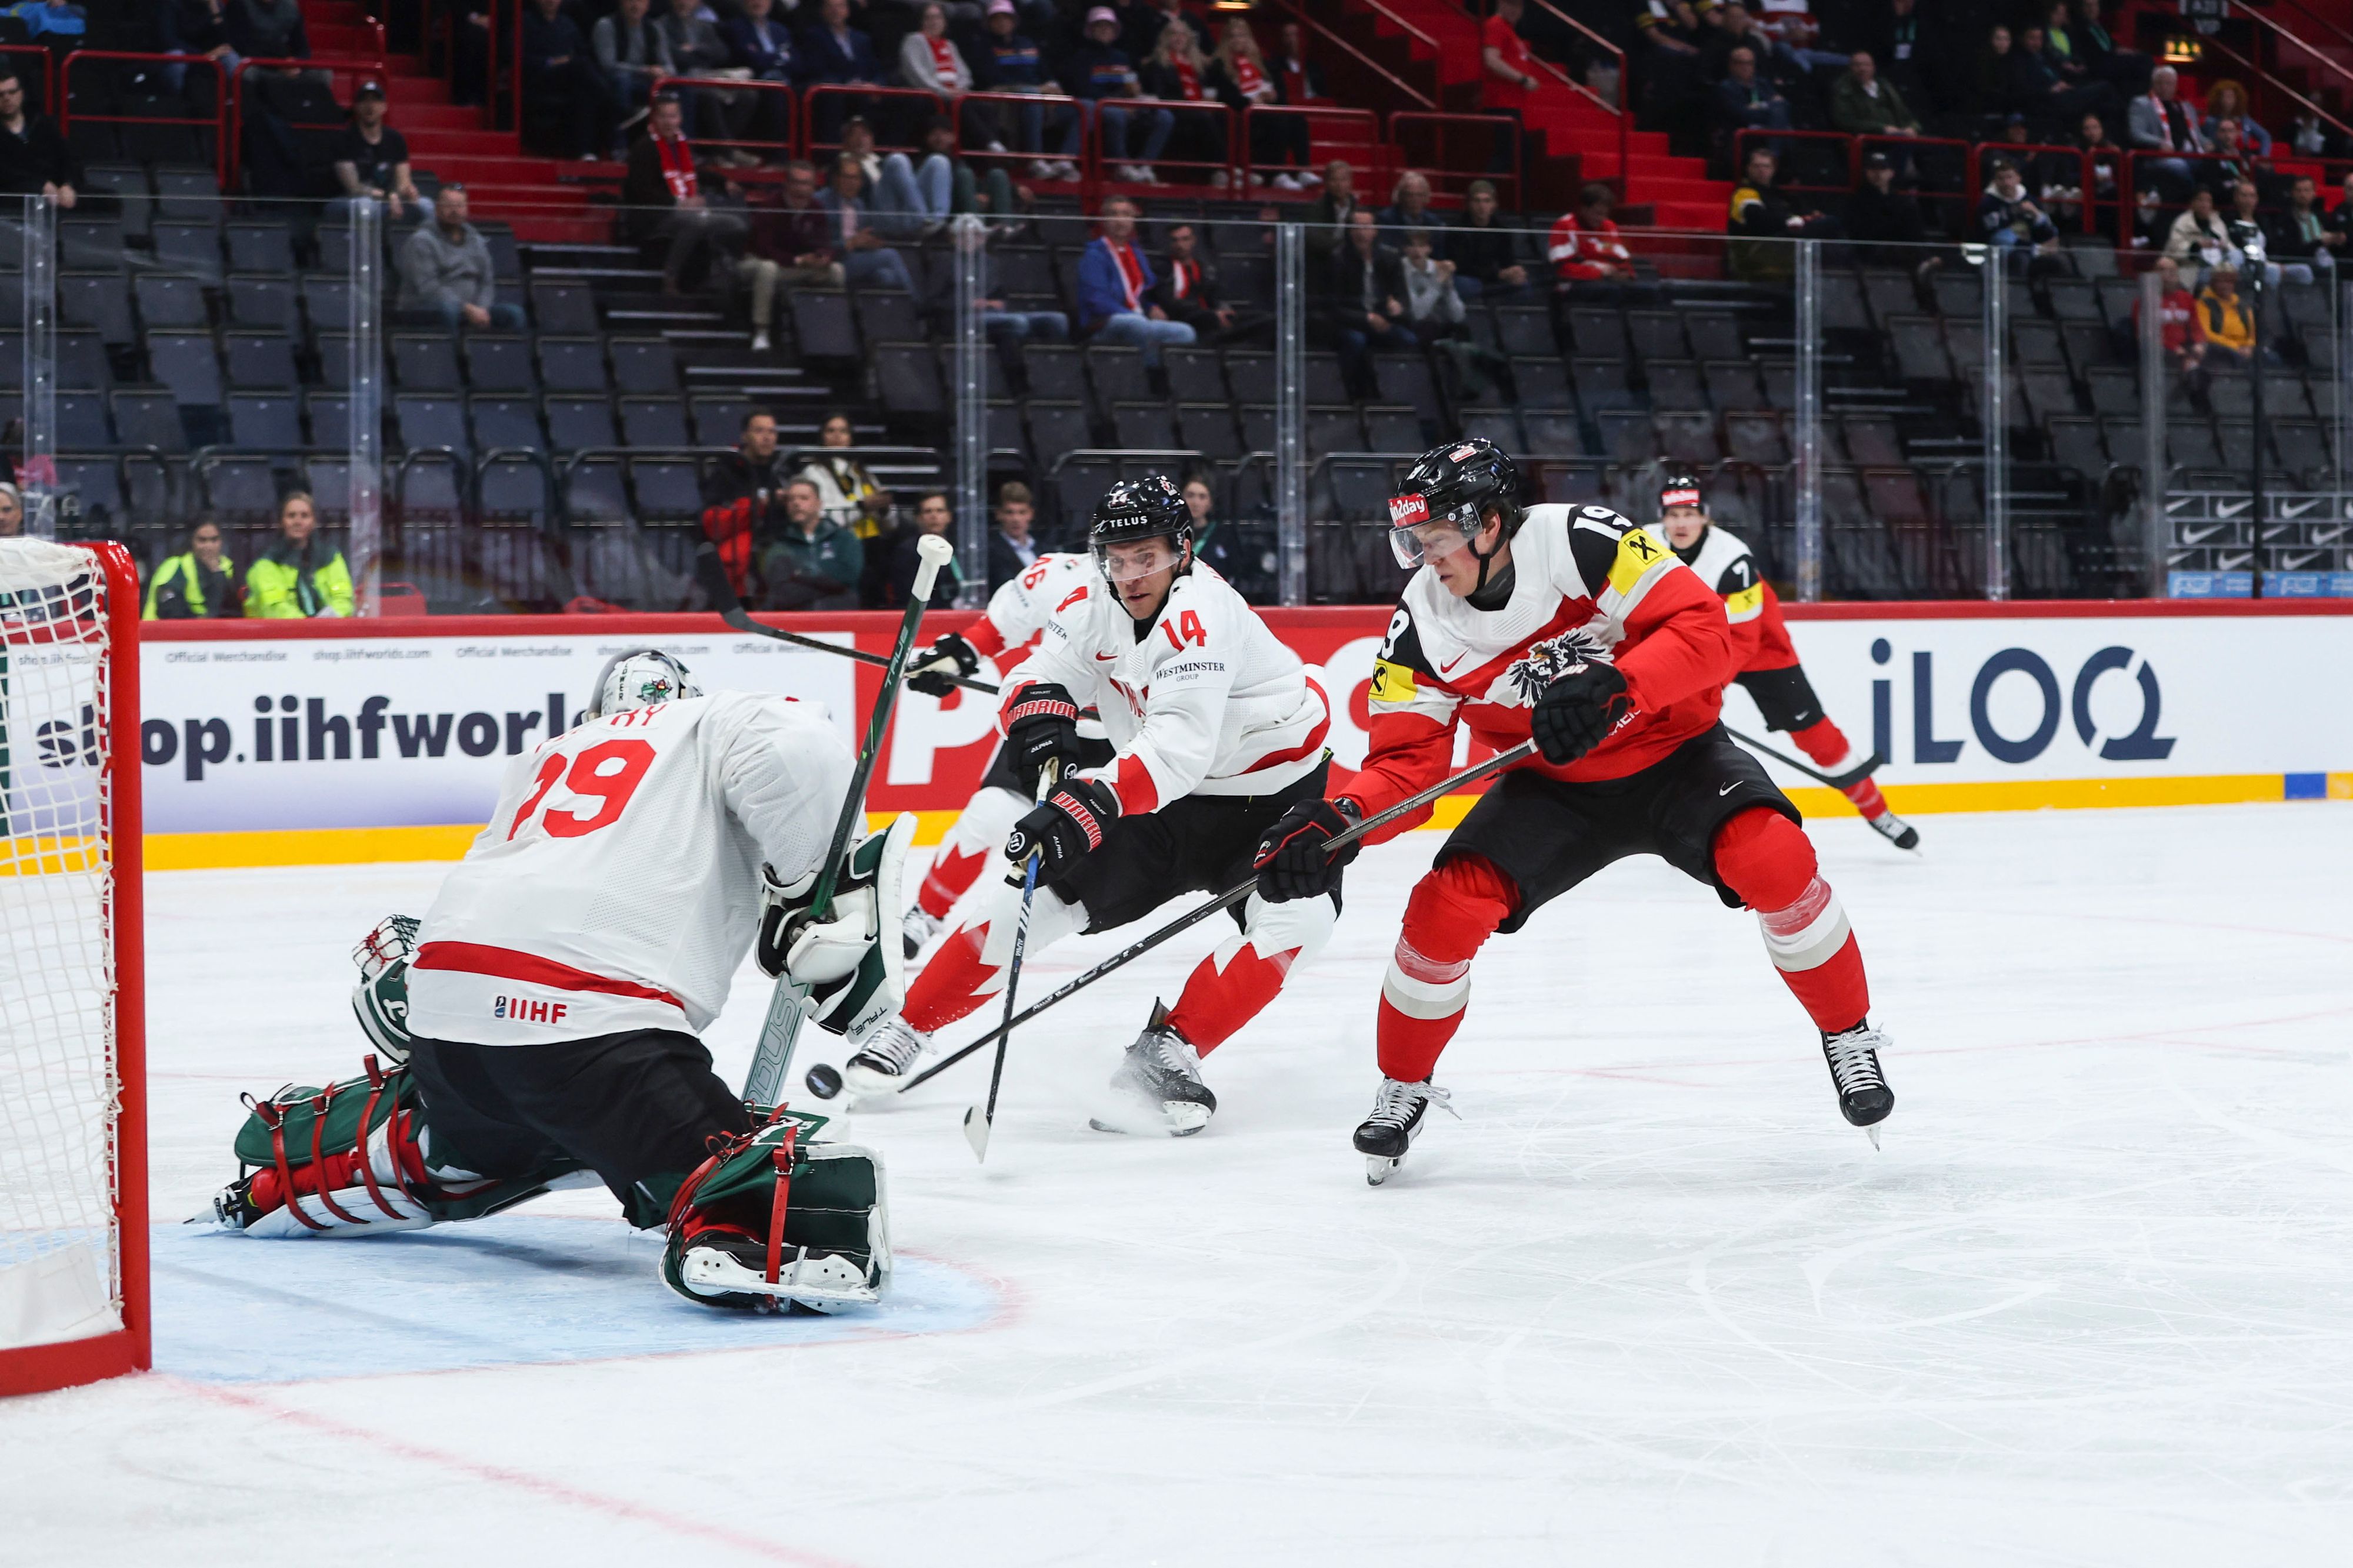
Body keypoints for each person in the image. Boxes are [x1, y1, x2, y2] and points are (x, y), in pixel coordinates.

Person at [1250, 440, 1899, 1183]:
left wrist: (1618, 685)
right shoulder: (1420, 625)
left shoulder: (1580, 538)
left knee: (1773, 858)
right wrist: (1339, 822)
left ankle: (1847, 1033)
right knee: (1441, 909)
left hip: (1677, 753)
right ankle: (1403, 1081)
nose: (1425, 559)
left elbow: (1705, 632)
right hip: (1551, 784)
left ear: (1488, 523)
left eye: (1434, 538)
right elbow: (1407, 767)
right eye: (1414, 542)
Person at [206, 649, 904, 1315]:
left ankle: (308, 1175)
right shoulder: (708, 720)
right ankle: (727, 1210)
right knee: (779, 1188)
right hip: (588, 1035)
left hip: (450, 1031)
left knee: (492, 1125)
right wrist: (821, 883)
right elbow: (793, 742)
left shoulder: (549, 753)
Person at [845, 476, 1336, 1137]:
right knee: (1036, 895)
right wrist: (1037, 716)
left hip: (1268, 801)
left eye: (1148, 558)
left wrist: (1084, 802)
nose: (1131, 575)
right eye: (1118, 557)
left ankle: (1169, 1048)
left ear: (1182, 552)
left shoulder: (1203, 613)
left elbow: (1177, 748)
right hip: (1163, 802)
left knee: (1300, 921)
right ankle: (910, 1025)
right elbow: (1037, 670)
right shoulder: (1093, 602)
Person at [1649, 473, 1918, 848]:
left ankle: (1878, 811)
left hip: (1760, 649)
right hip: (1690, 646)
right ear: (1661, 517)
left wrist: (1702, 686)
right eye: (1673, 514)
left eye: (1690, 513)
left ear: (1706, 516)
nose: (1681, 523)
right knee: (1677, 737)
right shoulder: (1643, 548)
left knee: (1815, 734)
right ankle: (1681, 823)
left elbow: (1742, 639)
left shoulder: (1732, 559)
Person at [894, 546, 1115, 955]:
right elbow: (996, 629)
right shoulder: (1060, 572)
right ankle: (926, 913)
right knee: (987, 815)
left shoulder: (1185, 590)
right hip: (1054, 726)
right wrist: (956, 659)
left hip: (1135, 740)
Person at [1078, 194, 1196, 362]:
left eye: (1126, 214)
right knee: (1136, 325)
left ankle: (1161, 376)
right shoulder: (1094, 255)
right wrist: (1135, 316)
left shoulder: (1136, 253)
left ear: (1133, 220)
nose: (1120, 220)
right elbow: (1097, 300)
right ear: (1104, 220)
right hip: (1103, 323)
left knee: (1185, 332)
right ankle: (1144, 376)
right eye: (1114, 214)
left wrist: (1151, 307)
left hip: (1137, 319)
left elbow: (1140, 294)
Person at [974, 0, 1082, 181]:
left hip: (1039, 96)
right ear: (989, 22)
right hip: (1006, 97)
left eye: (1006, 18)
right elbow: (992, 79)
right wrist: (1039, 89)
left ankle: (1065, 160)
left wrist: (1055, 87)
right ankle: (1035, 160)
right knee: (1031, 95)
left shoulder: (1027, 43)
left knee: (1082, 107)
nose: (1002, 22)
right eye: (996, 19)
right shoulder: (983, 46)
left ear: (1014, 21)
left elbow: (1045, 72)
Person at [398, 185, 525, 332]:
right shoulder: (421, 241)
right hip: (427, 306)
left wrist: (481, 308)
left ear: (466, 209)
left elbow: (486, 281)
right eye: (449, 205)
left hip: (472, 308)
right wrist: (466, 307)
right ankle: (449, 354)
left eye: (459, 206)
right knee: (449, 311)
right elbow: (429, 288)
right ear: (437, 208)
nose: (455, 211)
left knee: (514, 314)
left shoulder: (476, 240)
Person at [1319, 209, 1414, 395]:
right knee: (1356, 340)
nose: (1362, 233)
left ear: (1375, 230)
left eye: (1366, 227)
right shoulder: (1338, 259)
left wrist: (1397, 308)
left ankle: (1395, 393)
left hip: (1382, 320)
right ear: (1350, 231)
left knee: (1408, 339)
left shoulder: (1390, 258)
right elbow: (1333, 306)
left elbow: (1402, 297)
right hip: (1350, 322)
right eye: (1357, 227)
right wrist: (1367, 318)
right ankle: (1348, 391)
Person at [1072, 5, 1171, 184]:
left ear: (1115, 31)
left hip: (1125, 105)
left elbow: (1133, 83)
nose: (1104, 30)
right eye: (1099, 26)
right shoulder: (1082, 58)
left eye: (1108, 26)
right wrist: (1119, 103)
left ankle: (1144, 166)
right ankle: (1122, 166)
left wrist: (1137, 93)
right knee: (1116, 115)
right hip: (1100, 107)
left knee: (1164, 116)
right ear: (1091, 30)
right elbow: (1084, 90)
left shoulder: (1123, 58)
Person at [698, 408, 789, 597]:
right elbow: (712, 521)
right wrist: (759, 505)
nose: (767, 437)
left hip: (780, 544)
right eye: (759, 431)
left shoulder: (784, 469)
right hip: (742, 549)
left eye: (772, 432)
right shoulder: (726, 471)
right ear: (745, 436)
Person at [522, 0, 618, 162]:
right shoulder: (525, 22)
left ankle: (586, 151)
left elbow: (583, 52)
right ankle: (610, 100)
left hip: (569, 79)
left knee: (584, 92)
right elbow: (516, 57)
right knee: (581, 68)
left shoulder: (567, 23)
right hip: (538, 78)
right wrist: (551, 62)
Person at [653, 0, 751, 159]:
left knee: (748, 96)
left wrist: (695, 49)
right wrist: (699, 55)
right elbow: (677, 57)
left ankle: (717, 150)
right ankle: (728, 152)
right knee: (708, 95)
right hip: (680, 80)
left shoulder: (704, 25)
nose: (684, 3)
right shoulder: (661, 25)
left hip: (707, 76)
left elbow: (722, 53)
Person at [1727, 145, 1839, 282]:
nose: (1761, 170)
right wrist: (1790, 221)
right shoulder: (1744, 193)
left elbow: (1802, 211)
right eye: (1756, 166)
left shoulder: (1779, 194)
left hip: (1782, 246)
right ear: (1748, 168)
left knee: (1829, 223)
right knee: (1827, 224)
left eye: (1766, 166)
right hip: (1758, 250)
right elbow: (1757, 219)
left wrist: (1810, 216)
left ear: (1774, 170)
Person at [1138, 18, 1229, 186]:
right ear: (1166, 38)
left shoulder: (1198, 66)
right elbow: (1160, 95)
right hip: (1173, 109)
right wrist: (1193, 106)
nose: (1179, 38)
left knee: (1224, 117)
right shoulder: (1158, 64)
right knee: (1203, 118)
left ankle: (1222, 171)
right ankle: (1224, 168)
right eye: (1174, 34)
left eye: (1183, 34)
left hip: (1196, 110)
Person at [1217, 18, 1303, 188]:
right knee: (1276, 120)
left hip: (1263, 110)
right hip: (1239, 113)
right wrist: (1249, 101)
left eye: (1242, 36)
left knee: (1297, 119)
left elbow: (1281, 94)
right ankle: (1277, 173)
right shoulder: (1219, 64)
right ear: (1226, 40)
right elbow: (1224, 96)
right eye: (1233, 36)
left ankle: (1303, 171)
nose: (1238, 40)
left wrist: (1273, 96)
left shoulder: (1264, 63)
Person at [814, 154, 917, 293]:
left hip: (856, 259)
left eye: (856, 178)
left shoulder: (859, 204)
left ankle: (887, 314)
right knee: (890, 255)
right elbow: (816, 243)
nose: (852, 183)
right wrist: (851, 243)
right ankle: (916, 306)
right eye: (847, 177)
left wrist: (870, 243)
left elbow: (862, 239)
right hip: (834, 262)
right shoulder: (820, 202)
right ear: (836, 179)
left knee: (888, 277)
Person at [1152, 220, 1265, 343]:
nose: (1180, 245)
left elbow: (1214, 294)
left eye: (1185, 239)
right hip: (1185, 316)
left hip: (1209, 314)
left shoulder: (1204, 267)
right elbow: (1170, 303)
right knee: (1212, 319)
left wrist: (1222, 310)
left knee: (1263, 319)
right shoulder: (1163, 268)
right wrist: (1211, 314)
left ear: (1193, 240)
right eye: (1175, 240)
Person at [760, 478, 865, 610]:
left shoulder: (844, 539)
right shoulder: (779, 544)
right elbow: (782, 592)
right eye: (791, 499)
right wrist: (826, 583)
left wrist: (801, 576)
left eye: (804, 498)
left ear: (819, 503)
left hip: (839, 617)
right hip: (796, 620)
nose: (796, 503)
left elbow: (847, 577)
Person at [246, 491, 353, 619]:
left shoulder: (331, 557)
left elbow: (344, 600)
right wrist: (310, 628)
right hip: (284, 636)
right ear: (281, 522)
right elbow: (276, 609)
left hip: (329, 632)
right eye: (291, 516)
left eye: (305, 516)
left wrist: (325, 624)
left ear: (313, 522)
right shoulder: (265, 565)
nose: (298, 521)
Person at [797, 0, 885, 147]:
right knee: (834, 97)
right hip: (836, 89)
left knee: (896, 100)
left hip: (864, 90)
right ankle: (831, 154)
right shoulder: (814, 36)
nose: (835, 11)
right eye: (830, 7)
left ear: (848, 11)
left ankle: (880, 152)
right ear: (822, 11)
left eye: (840, 6)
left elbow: (876, 69)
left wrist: (877, 85)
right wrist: (849, 85)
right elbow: (816, 70)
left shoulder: (862, 39)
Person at [328, 81, 419, 222]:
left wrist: (408, 191)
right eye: (364, 101)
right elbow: (354, 188)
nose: (370, 106)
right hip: (350, 200)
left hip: (389, 198)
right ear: (357, 107)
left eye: (375, 101)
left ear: (384, 107)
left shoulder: (395, 139)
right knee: (365, 206)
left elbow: (404, 181)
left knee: (426, 206)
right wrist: (389, 196)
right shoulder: (344, 139)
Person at [593, 0, 674, 155]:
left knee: (682, 88)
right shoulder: (606, 25)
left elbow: (670, 66)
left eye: (640, 1)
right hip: (611, 81)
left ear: (648, 5)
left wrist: (663, 72)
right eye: (630, 1)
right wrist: (644, 70)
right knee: (622, 81)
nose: (635, 6)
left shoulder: (654, 28)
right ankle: (619, 146)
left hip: (646, 83)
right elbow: (608, 65)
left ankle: (679, 147)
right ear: (621, 3)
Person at [0, 70, 78, 207]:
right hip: (14, 194)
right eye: (1, 95)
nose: (7, 98)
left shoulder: (43, 124)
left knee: (107, 199)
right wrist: (41, 185)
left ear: (21, 94)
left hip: (55, 189)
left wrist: (67, 183)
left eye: (12, 92)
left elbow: (66, 157)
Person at [143, 516, 243, 620]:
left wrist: (217, 575)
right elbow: (171, 612)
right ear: (192, 541)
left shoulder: (229, 568)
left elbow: (235, 612)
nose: (209, 546)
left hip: (215, 633)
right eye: (202, 540)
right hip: (163, 633)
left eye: (214, 540)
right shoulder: (174, 566)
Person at [1847, 149, 1932, 271]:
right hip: (1870, 252)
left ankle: (1925, 264)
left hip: (1900, 250)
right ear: (1866, 172)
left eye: (1882, 169)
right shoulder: (1856, 201)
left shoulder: (1904, 203)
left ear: (1891, 173)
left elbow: (1914, 234)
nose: (1878, 173)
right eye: (1873, 169)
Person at [1547, 180, 1635, 295]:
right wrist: (1599, 272)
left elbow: (1623, 262)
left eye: (1605, 214)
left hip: (1608, 283)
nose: (1602, 219)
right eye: (1598, 213)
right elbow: (1562, 269)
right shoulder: (1564, 225)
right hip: (1575, 286)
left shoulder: (1609, 226)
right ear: (1583, 208)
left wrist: (1625, 274)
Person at [2125, 65, 2201, 198]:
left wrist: (2211, 143)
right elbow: (2136, 134)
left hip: (2189, 152)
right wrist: (2160, 143)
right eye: (2161, 83)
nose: (2165, 87)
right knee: (2180, 166)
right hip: (2158, 157)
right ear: (2154, 84)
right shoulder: (2141, 104)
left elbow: (2198, 135)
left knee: (2210, 163)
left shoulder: (2185, 106)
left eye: (2170, 83)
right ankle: (2194, 200)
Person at [1449, 179, 1531, 299]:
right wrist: (1498, 274)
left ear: (1494, 205)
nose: (1482, 206)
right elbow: (1461, 266)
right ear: (1469, 204)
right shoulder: (1456, 230)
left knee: (1524, 285)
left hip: (1496, 279)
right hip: (1470, 278)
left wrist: (1514, 271)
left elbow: (1508, 261)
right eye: (1477, 201)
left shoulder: (1502, 231)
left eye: (1487, 201)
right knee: (1463, 285)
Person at [1979, 157, 2059, 271]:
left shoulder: (2031, 200)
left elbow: (2050, 232)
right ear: (1995, 181)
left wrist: (2036, 214)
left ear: (2018, 179)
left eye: (2010, 177)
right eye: (2001, 179)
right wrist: (2034, 249)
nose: (2006, 183)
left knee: (2057, 262)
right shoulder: (1989, 204)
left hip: (2034, 247)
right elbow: (1997, 238)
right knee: (2021, 259)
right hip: (2005, 255)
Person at [2132, 254, 2202, 378]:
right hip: (2160, 350)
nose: (2170, 273)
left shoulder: (2187, 298)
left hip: (2185, 348)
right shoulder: (2145, 301)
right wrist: (2175, 349)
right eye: (2163, 270)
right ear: (2155, 274)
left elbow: (2196, 327)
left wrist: (2199, 345)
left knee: (2218, 353)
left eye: (2173, 270)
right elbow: (2146, 335)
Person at [1715, 44, 1791, 159]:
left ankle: (1776, 159)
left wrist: (1761, 106)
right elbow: (1741, 114)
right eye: (1741, 63)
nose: (1746, 67)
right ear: (1732, 65)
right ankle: (1773, 156)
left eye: (1749, 63)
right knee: (1779, 116)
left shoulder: (1762, 84)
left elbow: (1783, 104)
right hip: (1743, 128)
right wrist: (1770, 109)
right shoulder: (1726, 87)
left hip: (1769, 126)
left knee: (1788, 127)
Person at [891, 491, 962, 608]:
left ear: (949, 516)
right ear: (918, 518)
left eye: (940, 511)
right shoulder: (907, 551)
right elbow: (907, 594)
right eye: (928, 511)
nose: (934, 516)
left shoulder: (960, 548)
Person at [1829, 49, 1918, 139]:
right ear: (1850, 68)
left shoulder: (1886, 87)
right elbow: (1845, 121)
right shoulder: (1844, 90)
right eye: (1857, 65)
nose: (1862, 69)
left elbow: (1905, 115)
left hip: (1898, 134)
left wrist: (1913, 127)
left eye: (1866, 65)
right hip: (1867, 139)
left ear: (1873, 68)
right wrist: (1882, 129)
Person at [1398, 227, 1464, 336]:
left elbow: (1458, 316)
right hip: (1409, 322)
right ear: (1405, 249)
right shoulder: (1400, 269)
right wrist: (1437, 283)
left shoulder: (1439, 269)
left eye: (1422, 246)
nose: (1417, 251)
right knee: (1427, 327)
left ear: (1429, 249)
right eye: (1412, 245)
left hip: (1438, 322)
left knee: (1462, 329)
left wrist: (1449, 287)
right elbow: (1417, 314)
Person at [2164, 184, 2232, 288]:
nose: (2205, 204)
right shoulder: (2182, 222)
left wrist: (2222, 246)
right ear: (2193, 203)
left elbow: (2228, 244)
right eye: (2201, 200)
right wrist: (2197, 246)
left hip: (2218, 267)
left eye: (2208, 201)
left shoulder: (2217, 222)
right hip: (2192, 269)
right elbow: (2175, 249)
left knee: (2236, 256)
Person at [2193, 263, 2255, 366]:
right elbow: (2206, 334)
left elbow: (2251, 334)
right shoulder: (2203, 304)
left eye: (2229, 281)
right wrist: (2235, 347)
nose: (2225, 285)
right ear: (2213, 283)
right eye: (2221, 281)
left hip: (2243, 350)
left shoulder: (2243, 306)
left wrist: (2249, 347)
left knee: (2270, 359)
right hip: (2219, 349)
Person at [988, 480, 1039, 589]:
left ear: (1031, 514)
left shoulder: (1044, 550)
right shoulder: (990, 553)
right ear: (999, 514)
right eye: (1009, 513)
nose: (1016, 519)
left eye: (1022, 512)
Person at [2200, 78, 2271, 157]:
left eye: (2231, 97)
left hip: (2243, 156)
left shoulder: (2245, 119)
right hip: (2220, 158)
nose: (2228, 101)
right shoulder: (2211, 121)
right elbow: (2205, 139)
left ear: (2237, 99)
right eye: (2224, 97)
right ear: (2218, 99)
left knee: (2264, 168)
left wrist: (2264, 157)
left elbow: (2265, 136)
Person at [1304, 158, 1358, 258]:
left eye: (1343, 180)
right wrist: (1340, 243)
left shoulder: (1358, 209)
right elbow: (1315, 238)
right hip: (1323, 259)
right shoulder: (1317, 208)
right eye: (1334, 180)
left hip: (1351, 261)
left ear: (1351, 182)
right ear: (1326, 183)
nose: (1339, 185)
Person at [1377, 169, 1442, 246]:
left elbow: (1438, 253)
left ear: (1426, 197)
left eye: (1420, 195)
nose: (1415, 200)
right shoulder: (1386, 219)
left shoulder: (1434, 222)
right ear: (1401, 196)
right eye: (1410, 195)